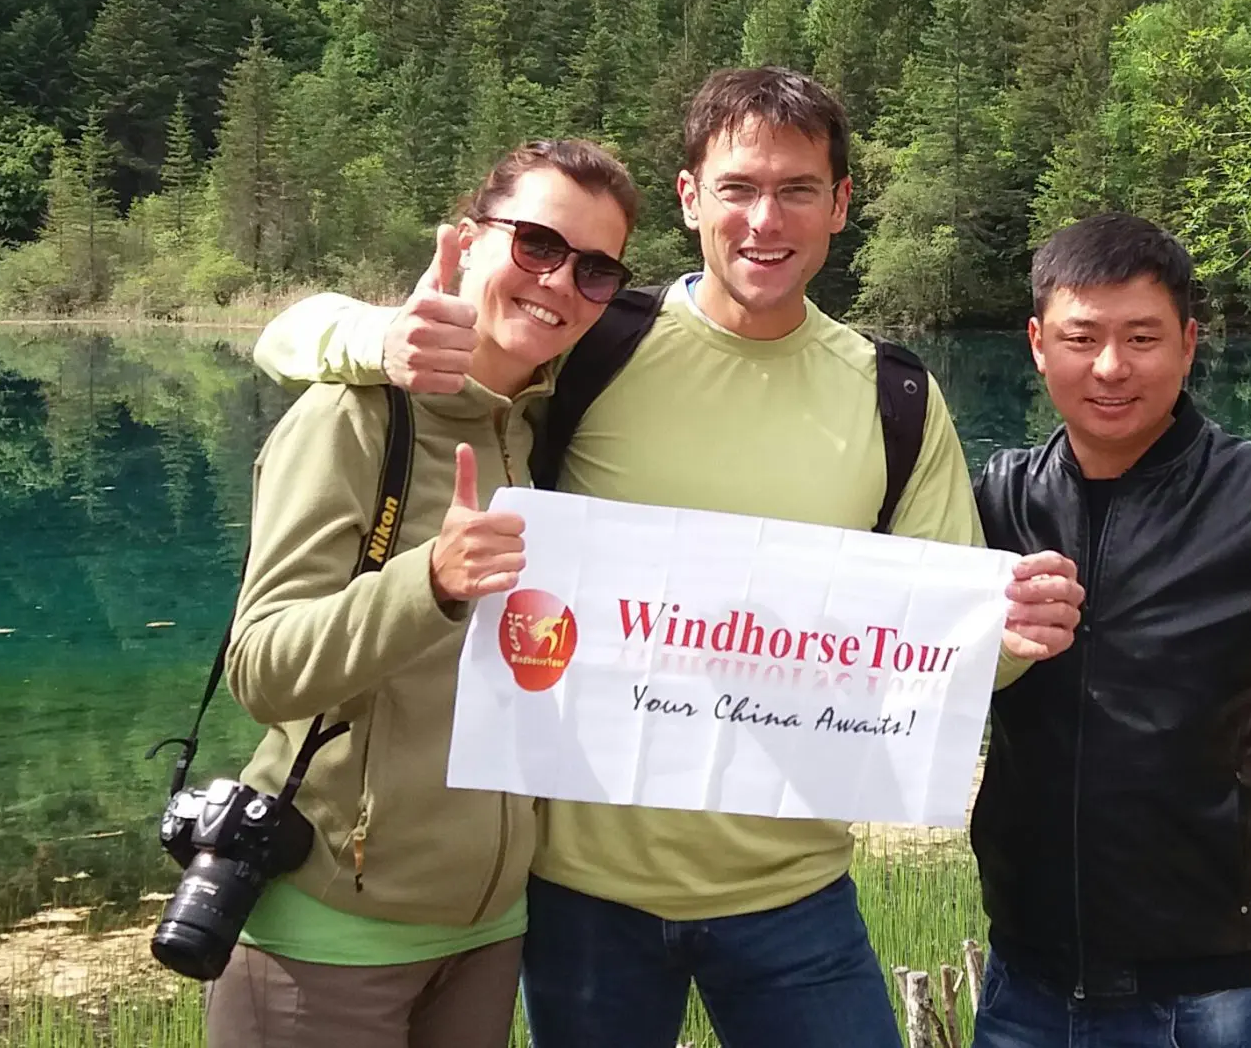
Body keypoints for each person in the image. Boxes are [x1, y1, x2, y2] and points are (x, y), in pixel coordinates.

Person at [253, 67, 1086, 1048]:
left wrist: (1020, 636)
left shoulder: (895, 399)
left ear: (840, 205)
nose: (763, 219)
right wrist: (374, 332)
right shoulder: (595, 343)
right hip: (579, 894)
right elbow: (307, 337)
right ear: (692, 199)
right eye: (736, 188)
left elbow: (949, 646)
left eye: (797, 189)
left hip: (793, 892)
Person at [208, 139, 642, 1048]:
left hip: (489, 935)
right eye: (536, 244)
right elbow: (262, 667)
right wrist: (430, 582)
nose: (562, 282)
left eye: (597, 269)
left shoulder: (556, 422)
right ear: (469, 241)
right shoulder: (354, 416)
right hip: (330, 932)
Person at [967, 213, 1251, 1048]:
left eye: (1141, 336)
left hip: (1203, 991)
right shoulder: (1001, 499)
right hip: (1026, 977)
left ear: (1188, 342)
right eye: (1083, 336)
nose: (1111, 366)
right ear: (1038, 343)